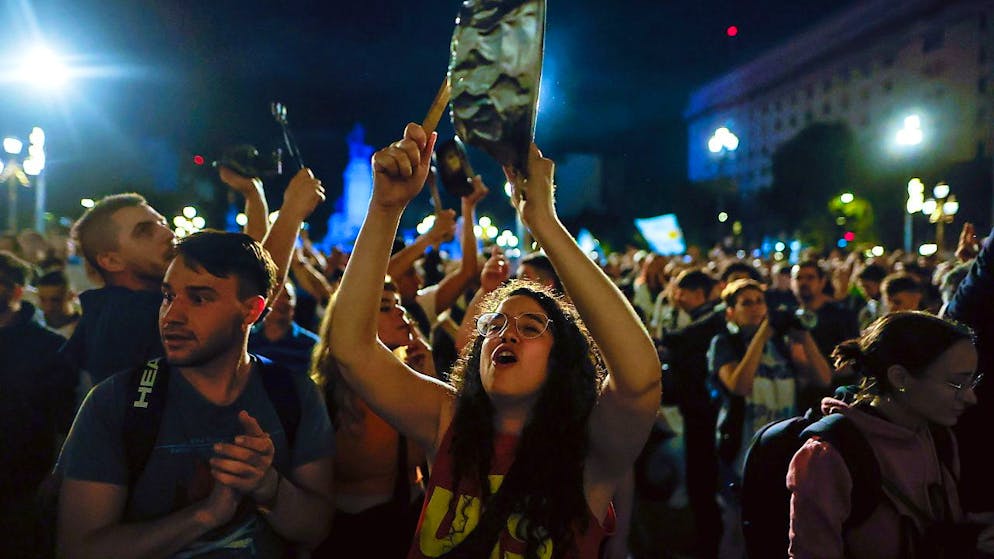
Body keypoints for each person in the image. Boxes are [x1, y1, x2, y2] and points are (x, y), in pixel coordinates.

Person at [328, 124, 660, 558]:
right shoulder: (447, 420)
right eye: (496, 325)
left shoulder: (587, 449)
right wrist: (385, 208)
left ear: (563, 359)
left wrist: (545, 223)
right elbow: (352, 350)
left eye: (530, 327)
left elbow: (640, 381)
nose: (505, 332)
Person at [56, 231, 335, 558]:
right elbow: (77, 550)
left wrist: (270, 487)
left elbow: (316, 529)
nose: (172, 316)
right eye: (168, 296)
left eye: (199, 298)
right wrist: (205, 515)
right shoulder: (118, 401)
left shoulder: (292, 393)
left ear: (252, 311)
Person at [62, 168, 324, 385]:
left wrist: (253, 195)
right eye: (144, 231)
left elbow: (242, 270)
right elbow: (251, 288)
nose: (166, 233)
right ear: (110, 260)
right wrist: (291, 213)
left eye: (162, 223)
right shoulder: (130, 317)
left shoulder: (114, 309)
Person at [787, 312, 994, 558]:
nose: (971, 397)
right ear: (900, 378)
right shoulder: (829, 455)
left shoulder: (938, 436)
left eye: (973, 381)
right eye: (956, 384)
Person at [708, 278, 831, 559]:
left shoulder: (782, 345)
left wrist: (803, 336)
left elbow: (823, 377)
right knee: (736, 534)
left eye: (759, 301)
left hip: (781, 455)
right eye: (746, 303)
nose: (755, 308)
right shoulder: (724, 343)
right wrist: (761, 337)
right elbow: (739, 385)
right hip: (740, 453)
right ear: (730, 312)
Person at [311, 280, 434, 558]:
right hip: (349, 536)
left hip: (409, 529)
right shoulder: (323, 395)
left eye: (399, 304)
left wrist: (428, 378)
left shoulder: (411, 382)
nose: (401, 313)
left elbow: (440, 456)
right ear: (352, 321)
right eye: (385, 307)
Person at [0, 251, 75, 558]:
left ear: (16, 290)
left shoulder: (50, 347)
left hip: (23, 482)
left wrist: (56, 475)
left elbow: (65, 418)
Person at [248, 281, 320, 376]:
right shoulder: (247, 340)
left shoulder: (312, 345)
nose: (283, 301)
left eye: (288, 297)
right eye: (278, 296)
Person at [35, 269, 82, 337]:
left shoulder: (87, 332)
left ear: (71, 296)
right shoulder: (34, 326)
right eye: (43, 300)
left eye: (55, 300)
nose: (48, 307)